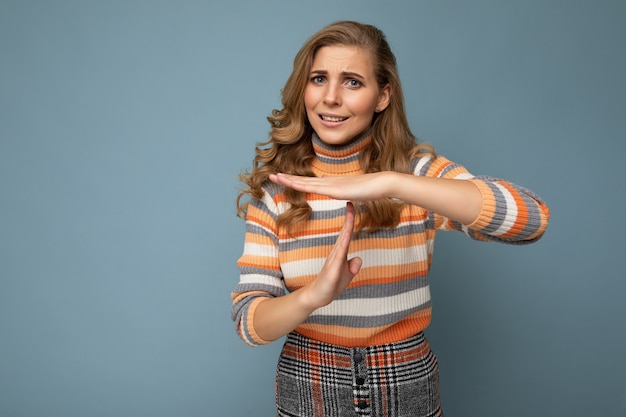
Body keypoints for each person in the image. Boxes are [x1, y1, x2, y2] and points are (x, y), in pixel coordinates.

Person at [231, 20, 550, 417]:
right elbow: (249, 322)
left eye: (352, 82)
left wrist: (391, 182)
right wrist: (314, 296)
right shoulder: (277, 189)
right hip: (308, 382)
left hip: (405, 379)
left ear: (382, 96)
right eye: (318, 79)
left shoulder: (413, 175)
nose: (330, 98)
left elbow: (531, 220)